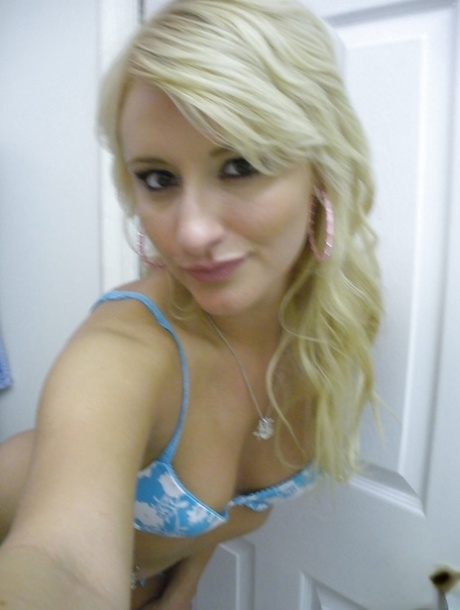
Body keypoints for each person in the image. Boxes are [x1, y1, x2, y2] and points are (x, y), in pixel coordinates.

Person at [0, 0, 382, 608]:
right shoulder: (120, 355)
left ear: (321, 171)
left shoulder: (337, 318)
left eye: (240, 165)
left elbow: (220, 510)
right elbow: (61, 565)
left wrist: (185, 586)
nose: (192, 232)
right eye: (158, 179)